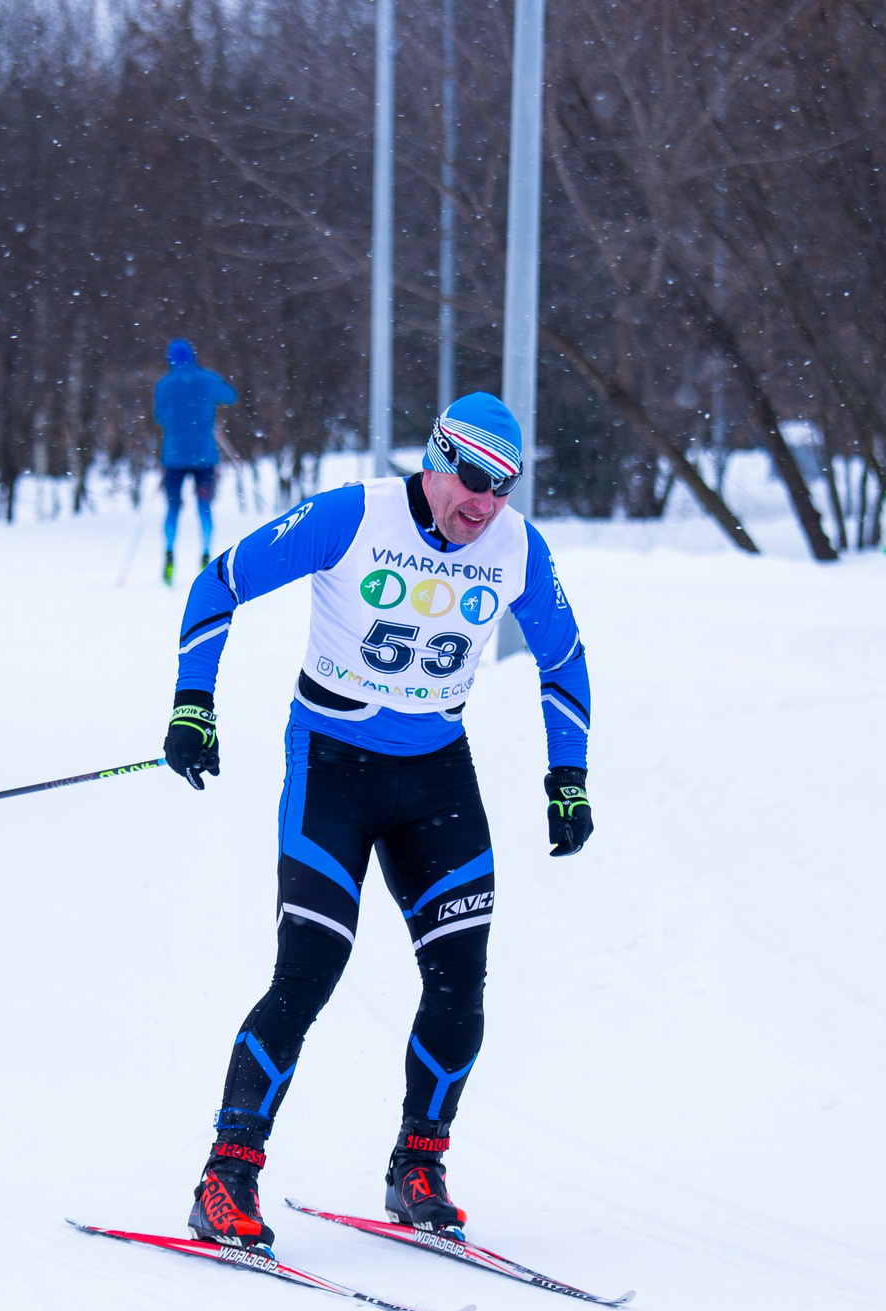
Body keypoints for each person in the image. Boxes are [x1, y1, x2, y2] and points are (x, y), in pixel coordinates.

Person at [161, 391, 594, 1249]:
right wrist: (191, 705)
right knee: (309, 970)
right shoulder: (353, 516)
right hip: (333, 767)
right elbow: (221, 583)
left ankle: (417, 1164)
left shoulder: (514, 547)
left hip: (436, 775)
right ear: (435, 459)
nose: (485, 501)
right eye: (473, 477)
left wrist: (569, 776)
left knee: (458, 980)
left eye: (504, 486)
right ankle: (227, 1173)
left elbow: (564, 656)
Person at [153, 338, 236, 586]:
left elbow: (160, 417)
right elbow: (230, 396)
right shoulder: (207, 378)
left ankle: (169, 552)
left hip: (174, 456)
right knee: (204, 507)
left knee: (173, 508)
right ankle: (206, 553)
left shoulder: (164, 384)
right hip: (204, 455)